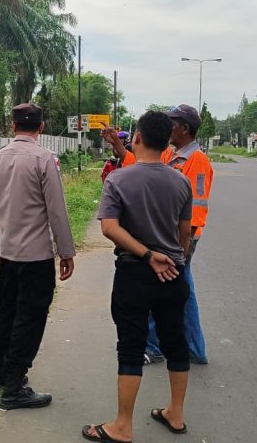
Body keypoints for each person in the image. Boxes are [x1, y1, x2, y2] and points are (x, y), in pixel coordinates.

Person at [84, 110, 192, 443]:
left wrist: (146, 254)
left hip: (134, 272)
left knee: (130, 348)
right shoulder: (180, 180)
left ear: (139, 138)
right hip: (173, 273)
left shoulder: (119, 179)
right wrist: (175, 259)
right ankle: (175, 414)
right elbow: (184, 231)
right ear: (165, 142)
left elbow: (109, 228)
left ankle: (122, 426)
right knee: (176, 343)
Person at [103, 104, 214, 365]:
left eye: (173, 122)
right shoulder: (172, 156)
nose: (168, 126)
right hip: (171, 236)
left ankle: (159, 347)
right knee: (179, 291)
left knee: (169, 289)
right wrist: (118, 146)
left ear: (184, 129)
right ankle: (193, 350)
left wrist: (180, 249)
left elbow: (196, 208)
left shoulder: (196, 160)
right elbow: (140, 163)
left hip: (178, 238)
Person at [0, 102, 76, 410]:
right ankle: (14, 387)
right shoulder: (45, 159)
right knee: (31, 317)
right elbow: (57, 211)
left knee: (7, 311)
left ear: (13, 126)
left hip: (9, 254)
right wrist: (66, 252)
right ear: (40, 127)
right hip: (36, 257)